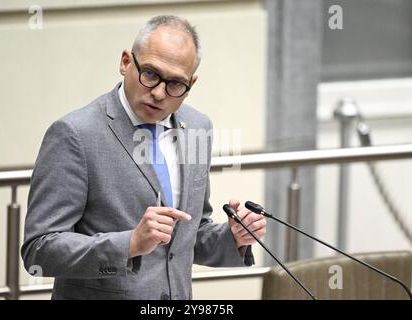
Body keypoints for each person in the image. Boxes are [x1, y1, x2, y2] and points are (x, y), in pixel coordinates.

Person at [21, 15, 266, 300]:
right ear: (126, 62)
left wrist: (233, 236)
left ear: (192, 83)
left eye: (176, 84)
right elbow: (39, 249)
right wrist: (130, 244)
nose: (160, 93)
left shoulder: (198, 127)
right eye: (150, 73)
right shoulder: (74, 133)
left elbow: (188, 236)